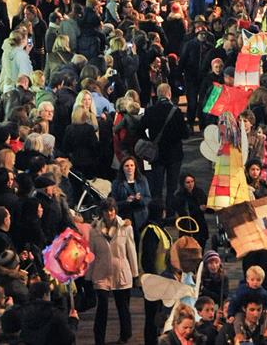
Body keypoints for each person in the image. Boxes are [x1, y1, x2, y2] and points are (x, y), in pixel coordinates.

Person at [87, 198, 138, 345]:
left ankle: (125, 336)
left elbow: (131, 251)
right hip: (101, 273)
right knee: (102, 307)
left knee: (123, 307)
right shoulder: (94, 229)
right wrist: (88, 276)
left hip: (121, 271)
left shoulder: (126, 227)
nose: (110, 213)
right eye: (107, 210)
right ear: (102, 212)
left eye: (112, 210)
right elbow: (92, 254)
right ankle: (99, 340)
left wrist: (135, 274)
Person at [141, 83, 190, 198]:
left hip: (157, 154)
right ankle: (170, 213)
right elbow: (185, 134)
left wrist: (149, 141)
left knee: (157, 187)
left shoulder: (150, 111)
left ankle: (157, 211)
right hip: (174, 154)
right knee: (172, 187)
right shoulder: (176, 111)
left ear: (158, 95)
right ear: (169, 94)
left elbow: (139, 130)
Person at [225, 266, 267, 338]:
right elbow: (234, 302)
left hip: (258, 309)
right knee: (238, 319)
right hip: (241, 309)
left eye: (258, 280)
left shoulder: (263, 292)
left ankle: (264, 333)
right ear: (247, 280)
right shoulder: (242, 291)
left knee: (266, 316)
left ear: (262, 281)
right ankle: (240, 335)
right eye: (252, 280)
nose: (255, 282)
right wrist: (231, 314)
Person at [110, 156, 152, 231]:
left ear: (135, 167)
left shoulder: (142, 180)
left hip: (141, 217)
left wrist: (140, 199)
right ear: (122, 168)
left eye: (132, 165)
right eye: (127, 166)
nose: (129, 168)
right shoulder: (116, 183)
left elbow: (148, 198)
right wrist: (126, 201)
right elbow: (114, 203)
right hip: (125, 216)